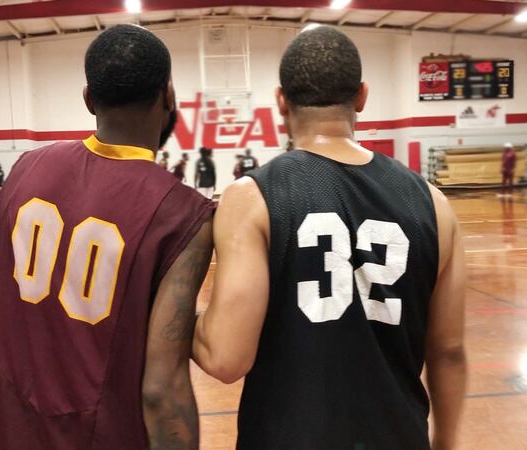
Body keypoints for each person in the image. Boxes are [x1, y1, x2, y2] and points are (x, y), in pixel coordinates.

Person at [192, 26, 467, 450]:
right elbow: (448, 351)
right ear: (362, 96)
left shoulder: (252, 198)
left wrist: (172, 316)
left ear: (280, 100)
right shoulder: (433, 203)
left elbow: (225, 358)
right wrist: (445, 441)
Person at [0, 25, 214, 450]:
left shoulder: (25, 168)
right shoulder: (184, 213)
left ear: (88, 99)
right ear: (169, 95)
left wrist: (0, 415)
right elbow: (162, 391)